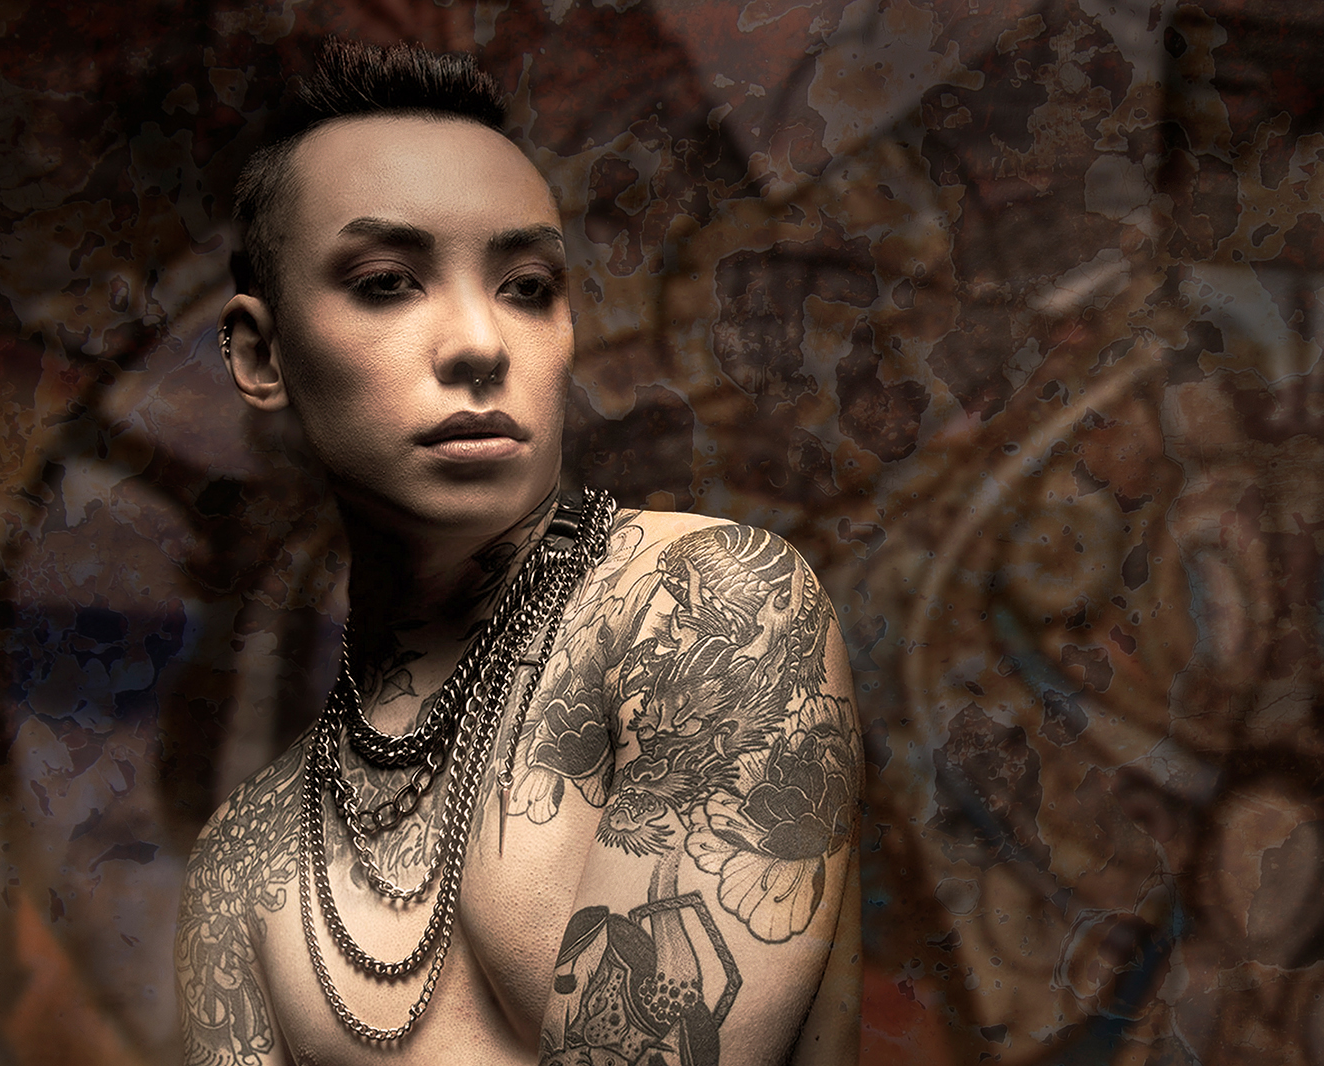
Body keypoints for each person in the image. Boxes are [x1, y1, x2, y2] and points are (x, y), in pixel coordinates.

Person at [175, 38, 861, 1066]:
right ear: (262, 353)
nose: (480, 343)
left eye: (527, 286)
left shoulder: (706, 610)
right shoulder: (243, 858)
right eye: (388, 282)